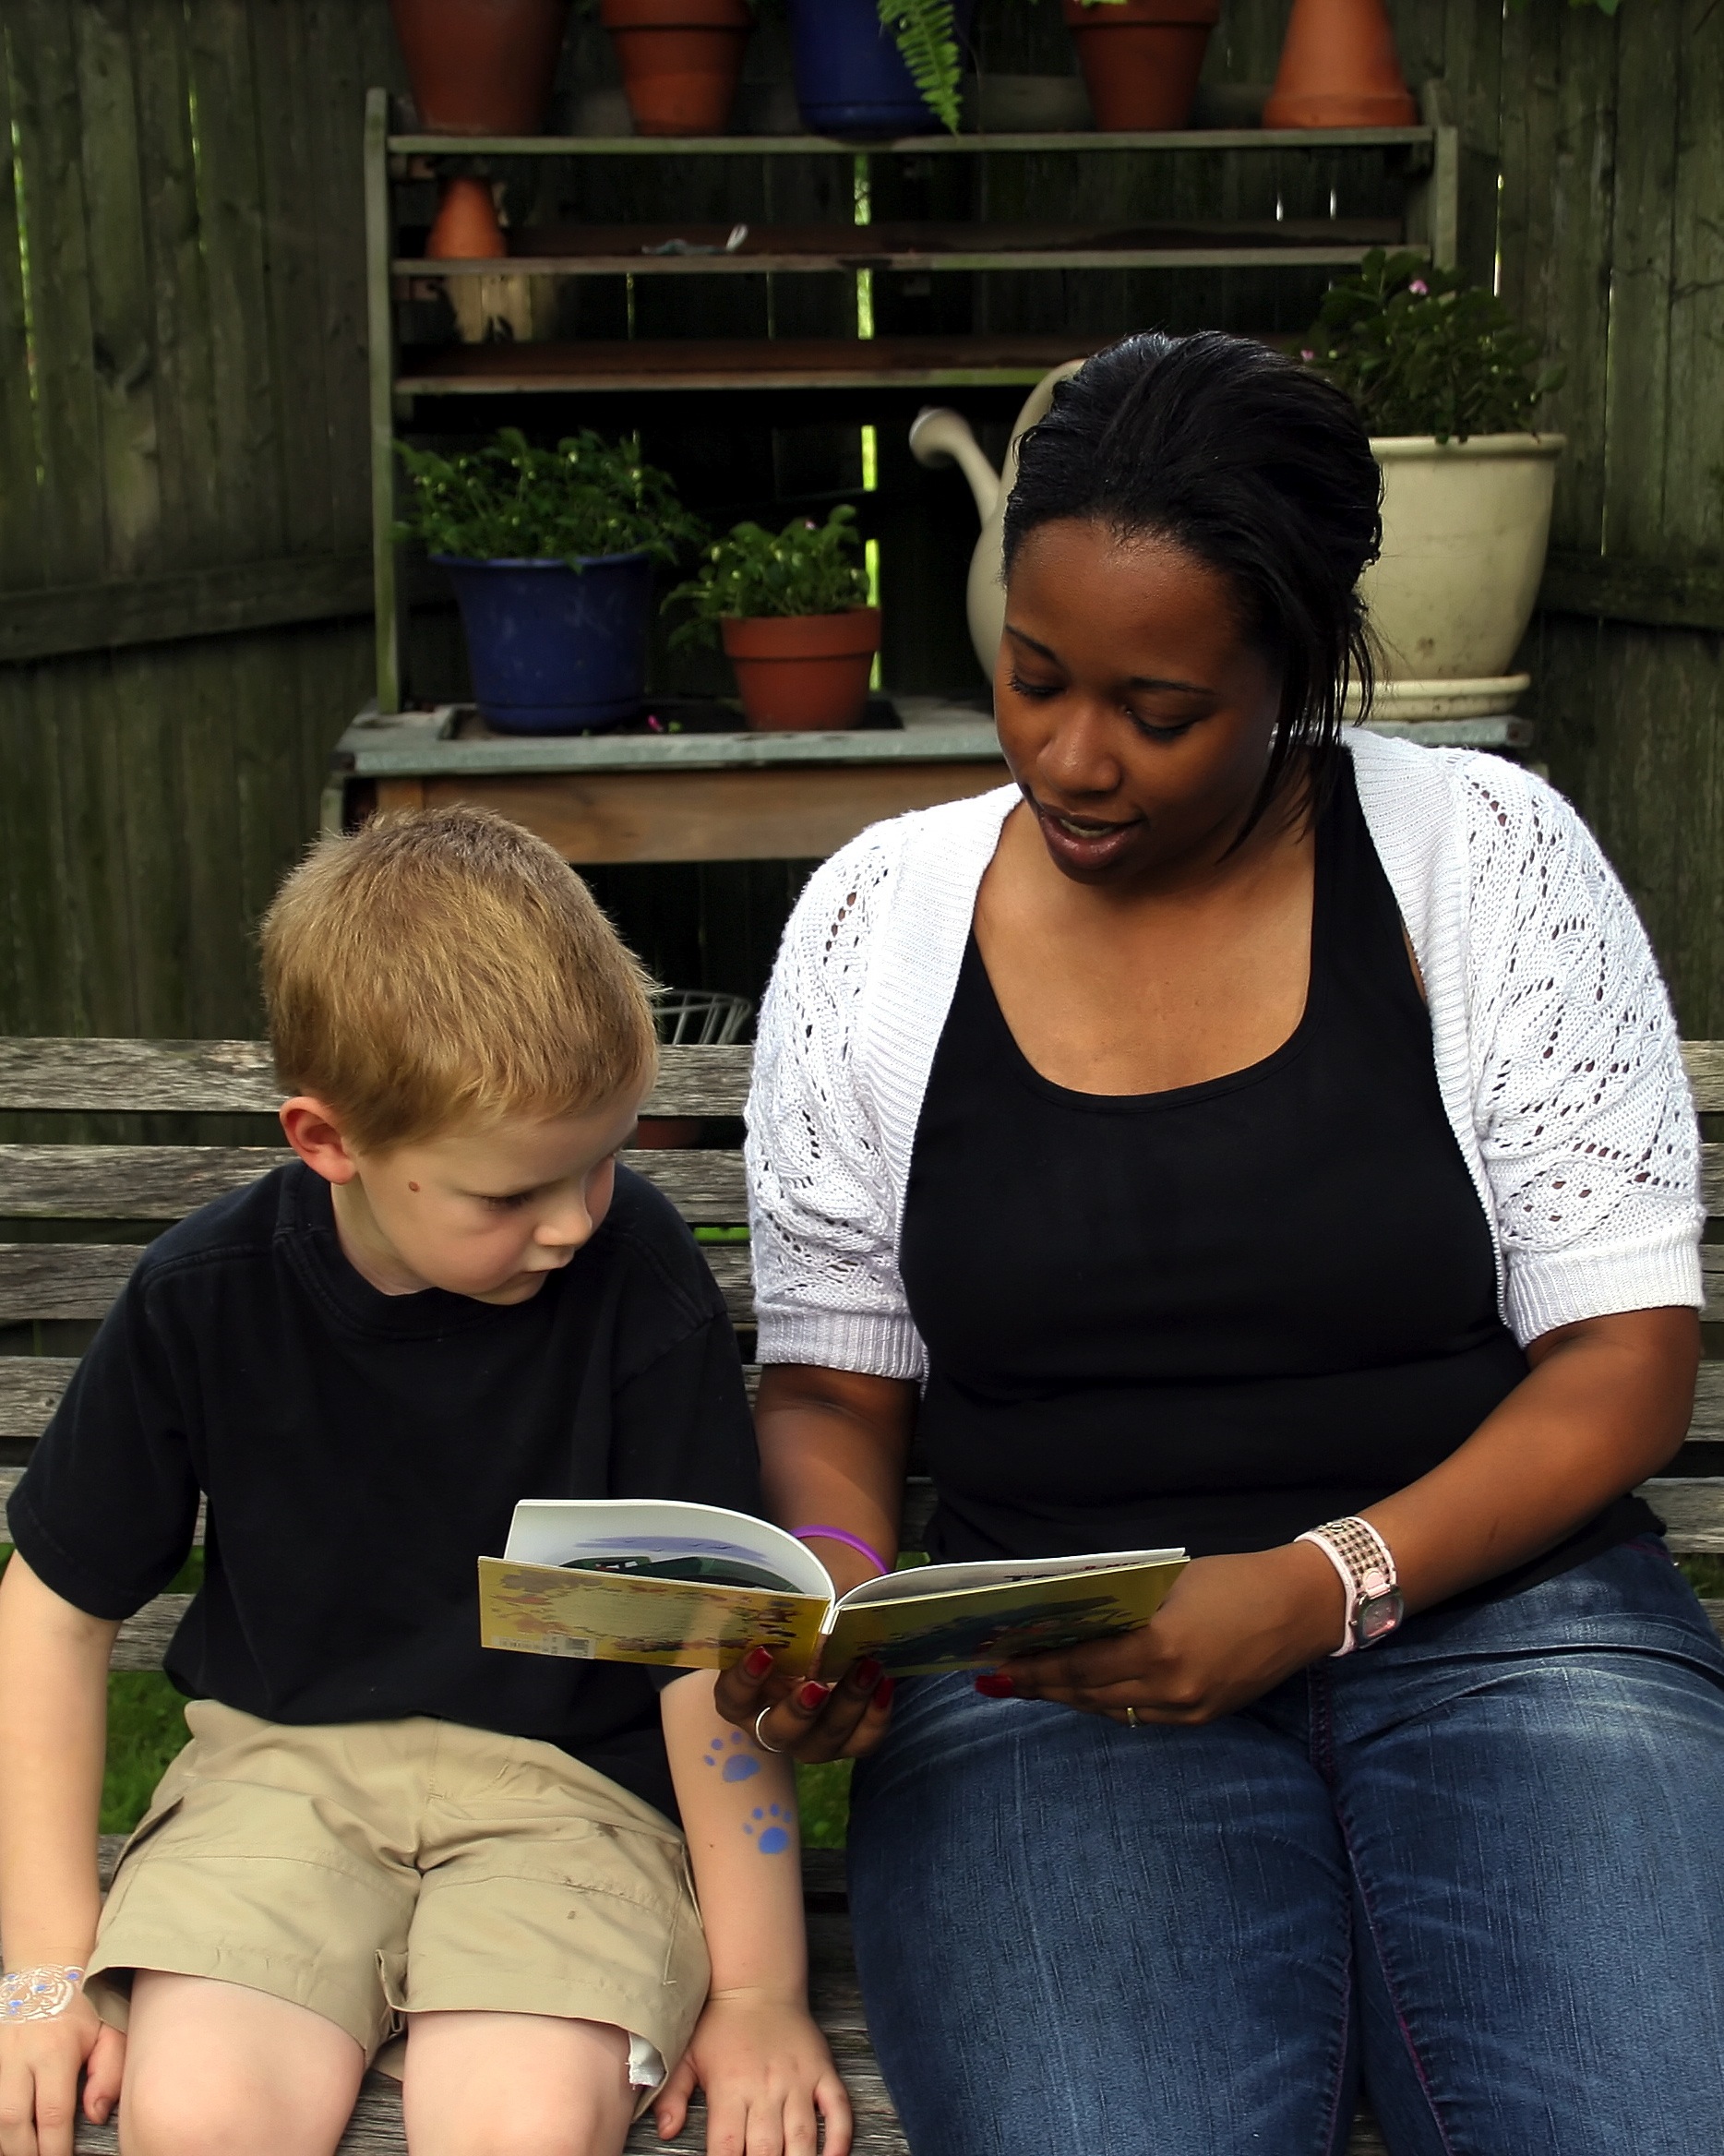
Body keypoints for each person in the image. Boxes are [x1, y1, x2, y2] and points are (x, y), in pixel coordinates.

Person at [716, 332, 1724, 2154]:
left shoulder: (1483, 862)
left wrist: (1317, 1583)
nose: (1070, 756)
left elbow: (1625, 1358)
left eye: (1156, 710)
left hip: (1516, 1638)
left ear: (1295, 666)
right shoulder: (879, 921)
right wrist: (838, 1576)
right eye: (1031, 679)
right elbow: (831, 1372)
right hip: (1050, 1675)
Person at [0, 808, 850, 2156]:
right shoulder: (201, 1300)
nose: (575, 1220)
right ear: (327, 1141)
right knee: (200, 2116)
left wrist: (757, 1991)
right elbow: (50, 1608)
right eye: (512, 1195)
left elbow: (710, 1646)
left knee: (517, 2126)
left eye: (603, 1160)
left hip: (566, 1799)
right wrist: (42, 1975)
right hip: (276, 1782)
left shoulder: (636, 1279)